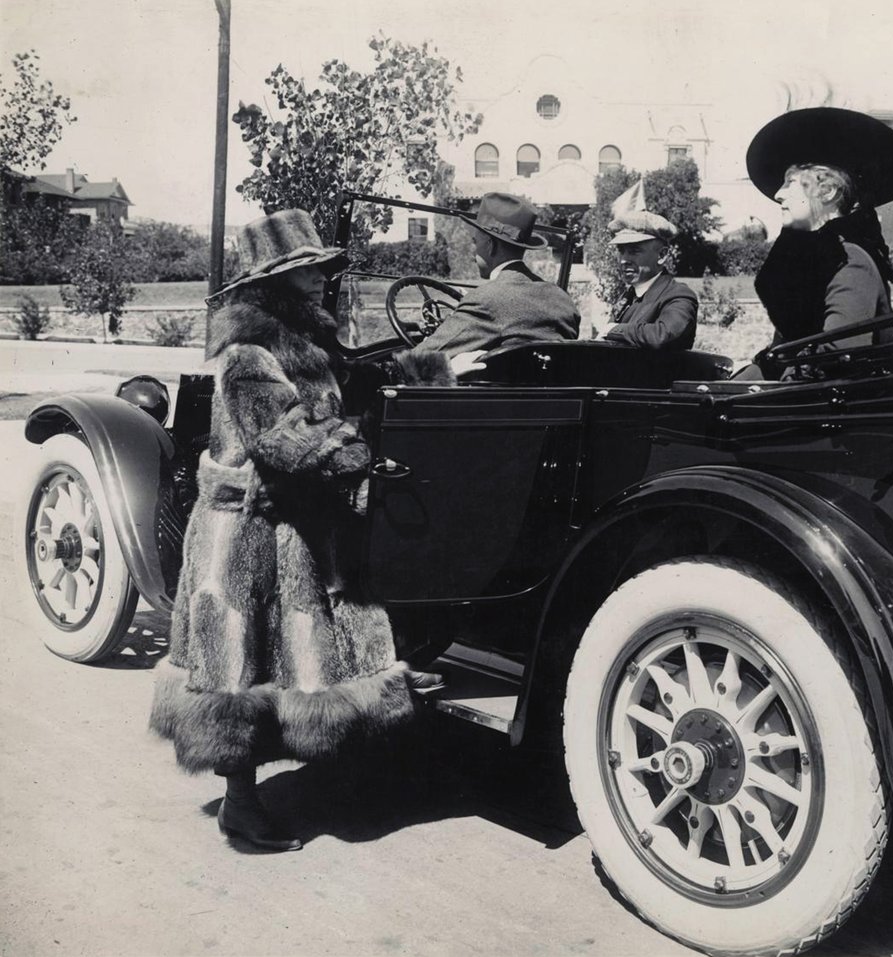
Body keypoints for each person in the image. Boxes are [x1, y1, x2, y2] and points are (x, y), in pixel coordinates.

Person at [150, 209, 441, 853]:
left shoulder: (306, 342)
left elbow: (331, 400)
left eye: (320, 269)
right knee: (237, 668)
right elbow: (281, 439)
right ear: (270, 285)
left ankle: (313, 777)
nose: (320, 281)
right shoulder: (248, 353)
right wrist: (355, 459)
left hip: (296, 525)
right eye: (306, 271)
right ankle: (240, 803)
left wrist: (413, 368)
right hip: (243, 532)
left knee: (296, 660)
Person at [741, 107, 893, 378]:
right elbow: (786, 351)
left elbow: (837, 357)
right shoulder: (811, 260)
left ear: (827, 191)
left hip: (841, 411)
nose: (778, 194)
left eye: (790, 183)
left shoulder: (850, 260)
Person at [412, 192, 580, 372]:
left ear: (490, 245)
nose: (473, 252)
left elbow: (413, 363)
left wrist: (447, 369)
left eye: (476, 243)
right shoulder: (563, 301)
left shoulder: (486, 300)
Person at [594, 210, 698, 351]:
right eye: (621, 250)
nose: (624, 260)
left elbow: (661, 335)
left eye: (634, 251)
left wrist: (613, 330)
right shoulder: (629, 297)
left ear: (662, 255)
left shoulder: (679, 295)